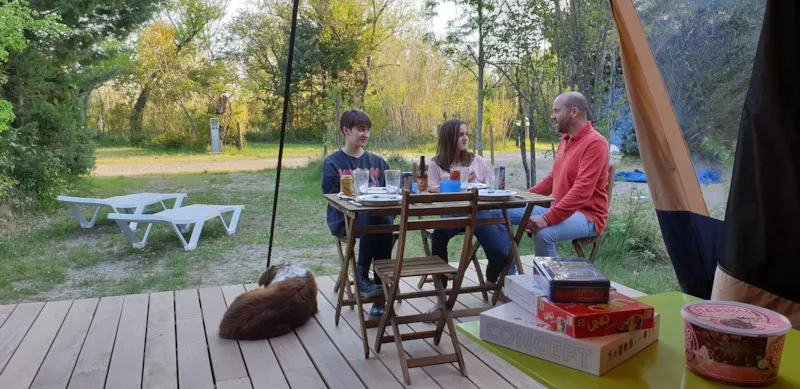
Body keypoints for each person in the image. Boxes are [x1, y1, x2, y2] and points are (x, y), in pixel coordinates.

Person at [508, 92, 609, 256]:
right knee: (500, 211)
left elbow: (582, 191)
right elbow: (552, 180)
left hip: (587, 216)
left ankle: (547, 281)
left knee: (543, 234)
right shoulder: (566, 140)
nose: (552, 116)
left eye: (556, 111)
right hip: (559, 210)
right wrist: (519, 197)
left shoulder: (595, 143)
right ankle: (508, 274)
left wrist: (547, 218)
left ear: (574, 112)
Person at [428, 119, 512, 295]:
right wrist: (454, 182)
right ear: (449, 137)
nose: (465, 138)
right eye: (460, 135)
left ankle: (491, 284)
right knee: (438, 238)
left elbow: (490, 186)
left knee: (499, 253)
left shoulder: (476, 160)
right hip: (452, 212)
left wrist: (477, 182)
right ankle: (441, 295)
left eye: (466, 134)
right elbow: (431, 188)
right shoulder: (436, 163)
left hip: (479, 213)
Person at [322, 109, 392, 320]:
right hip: (345, 220)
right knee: (377, 220)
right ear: (346, 130)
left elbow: (389, 193)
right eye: (361, 129)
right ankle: (364, 278)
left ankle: (376, 290)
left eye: (368, 130)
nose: (365, 134)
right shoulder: (333, 163)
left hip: (377, 222)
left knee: (382, 220)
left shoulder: (379, 163)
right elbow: (332, 198)